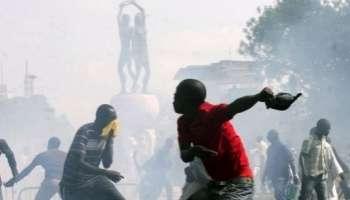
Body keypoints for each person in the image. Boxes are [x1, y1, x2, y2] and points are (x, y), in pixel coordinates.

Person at [174, 79, 277, 200]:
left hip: (239, 181)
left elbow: (235, 107)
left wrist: (258, 97)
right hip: (216, 184)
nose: (174, 101)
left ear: (188, 101)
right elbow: (185, 155)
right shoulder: (183, 123)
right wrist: (193, 151)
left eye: (177, 97)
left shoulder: (211, 113)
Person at [59, 104, 125, 200]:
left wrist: (110, 139)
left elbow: (107, 164)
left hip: (94, 179)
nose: (114, 122)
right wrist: (107, 173)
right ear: (101, 118)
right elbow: (78, 162)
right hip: (73, 184)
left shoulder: (105, 135)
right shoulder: (85, 132)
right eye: (112, 118)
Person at [298, 119, 344, 200]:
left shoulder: (327, 145)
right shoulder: (308, 142)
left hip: (323, 177)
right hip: (310, 177)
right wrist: (305, 173)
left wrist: (340, 173)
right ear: (320, 128)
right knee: (305, 196)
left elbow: (333, 160)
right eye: (327, 129)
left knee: (324, 197)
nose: (328, 131)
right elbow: (302, 158)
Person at [262, 130, 299, 200]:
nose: (267, 137)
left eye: (269, 135)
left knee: (280, 195)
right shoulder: (270, 149)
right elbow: (268, 163)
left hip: (283, 175)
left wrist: (295, 175)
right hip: (274, 176)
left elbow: (291, 161)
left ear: (274, 136)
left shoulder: (283, 147)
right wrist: (264, 176)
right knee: (278, 195)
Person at [131, 1, 150, 93]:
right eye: (138, 17)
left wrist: (134, 4)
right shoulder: (135, 30)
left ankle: (144, 88)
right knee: (138, 73)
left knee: (148, 72)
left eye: (140, 17)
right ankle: (134, 87)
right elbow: (134, 43)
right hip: (139, 53)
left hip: (144, 52)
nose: (140, 18)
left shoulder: (143, 26)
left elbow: (142, 10)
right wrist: (134, 54)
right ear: (136, 19)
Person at [117, 1, 134, 93]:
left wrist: (121, 8)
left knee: (123, 69)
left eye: (124, 19)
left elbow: (117, 18)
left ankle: (132, 84)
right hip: (126, 51)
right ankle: (127, 86)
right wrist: (121, 8)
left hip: (126, 51)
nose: (123, 20)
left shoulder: (125, 29)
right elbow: (118, 18)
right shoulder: (127, 28)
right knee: (126, 69)